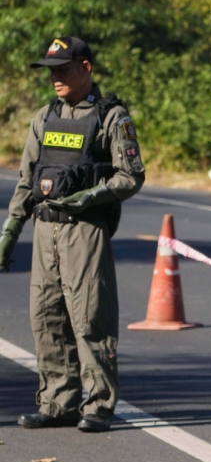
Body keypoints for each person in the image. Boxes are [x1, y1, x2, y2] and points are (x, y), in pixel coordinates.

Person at [0, 36, 144, 433]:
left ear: (86, 67)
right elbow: (27, 181)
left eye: (64, 69)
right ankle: (57, 402)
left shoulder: (111, 117)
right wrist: (10, 232)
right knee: (46, 316)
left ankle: (97, 404)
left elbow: (131, 176)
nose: (56, 77)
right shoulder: (45, 117)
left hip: (85, 229)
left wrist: (88, 198)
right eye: (51, 70)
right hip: (45, 230)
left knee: (89, 317)